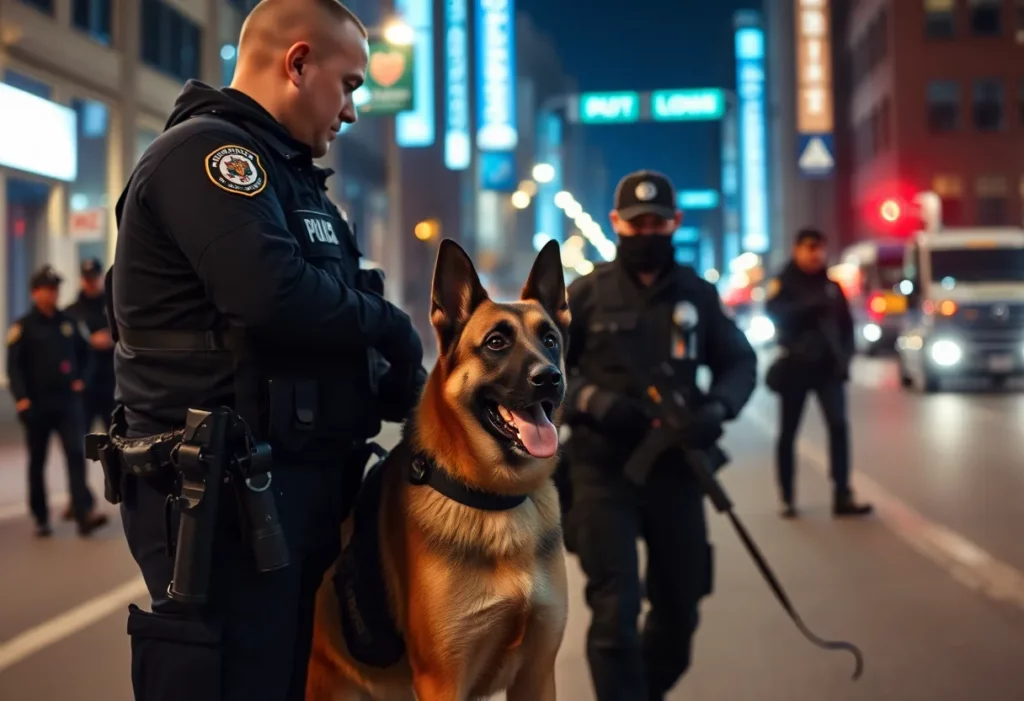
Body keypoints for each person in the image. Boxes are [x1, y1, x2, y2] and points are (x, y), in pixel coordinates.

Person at [107, 1, 424, 699]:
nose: (352, 110)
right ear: (299, 62)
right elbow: (272, 295)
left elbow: (332, 319)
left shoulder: (292, 179)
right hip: (222, 501)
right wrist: (392, 325)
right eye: (350, 85)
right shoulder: (209, 157)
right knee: (240, 680)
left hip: (289, 490)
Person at [563, 170, 757, 701]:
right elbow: (543, 371)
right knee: (615, 613)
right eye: (637, 223)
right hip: (601, 470)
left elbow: (739, 362)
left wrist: (717, 408)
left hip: (677, 470)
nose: (647, 232)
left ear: (676, 222)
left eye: (658, 222)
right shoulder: (586, 295)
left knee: (680, 610)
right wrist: (594, 401)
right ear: (616, 224)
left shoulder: (697, 293)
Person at [765, 228, 872, 519]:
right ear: (797, 249)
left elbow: (847, 326)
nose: (815, 254)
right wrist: (809, 308)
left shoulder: (831, 286)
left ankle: (842, 494)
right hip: (796, 368)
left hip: (828, 370)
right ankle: (787, 496)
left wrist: (846, 358)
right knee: (788, 434)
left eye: (820, 248)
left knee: (839, 427)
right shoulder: (784, 282)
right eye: (810, 248)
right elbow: (774, 311)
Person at [6, 265, 109, 538]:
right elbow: (14, 368)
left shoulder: (68, 322)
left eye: (56, 289)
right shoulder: (23, 327)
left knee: (76, 454)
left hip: (67, 403)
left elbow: (85, 353)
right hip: (37, 405)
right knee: (37, 461)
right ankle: (41, 517)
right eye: (48, 289)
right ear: (34, 293)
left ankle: (83, 511)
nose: (53, 294)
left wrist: (81, 381)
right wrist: (21, 399)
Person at [66, 257, 115, 431]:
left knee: (116, 438)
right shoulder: (71, 312)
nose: (91, 283)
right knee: (79, 438)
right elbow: (67, 349)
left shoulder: (114, 307)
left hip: (111, 383)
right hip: (84, 385)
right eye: (87, 278)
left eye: (94, 278)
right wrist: (89, 342)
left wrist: (112, 340)